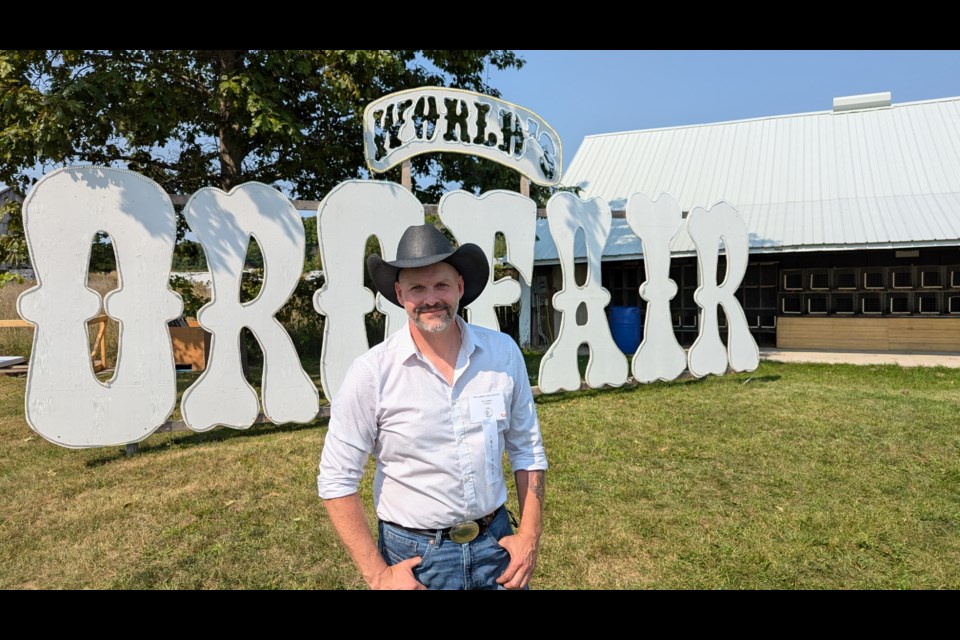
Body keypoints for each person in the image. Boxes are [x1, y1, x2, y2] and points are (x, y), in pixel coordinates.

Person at [317, 223, 548, 590]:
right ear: (399, 294)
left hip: (498, 547)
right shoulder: (373, 373)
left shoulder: (502, 354)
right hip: (416, 560)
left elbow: (527, 450)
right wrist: (378, 576)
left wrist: (530, 538)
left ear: (459, 287)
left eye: (441, 284)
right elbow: (336, 479)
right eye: (417, 288)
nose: (430, 298)